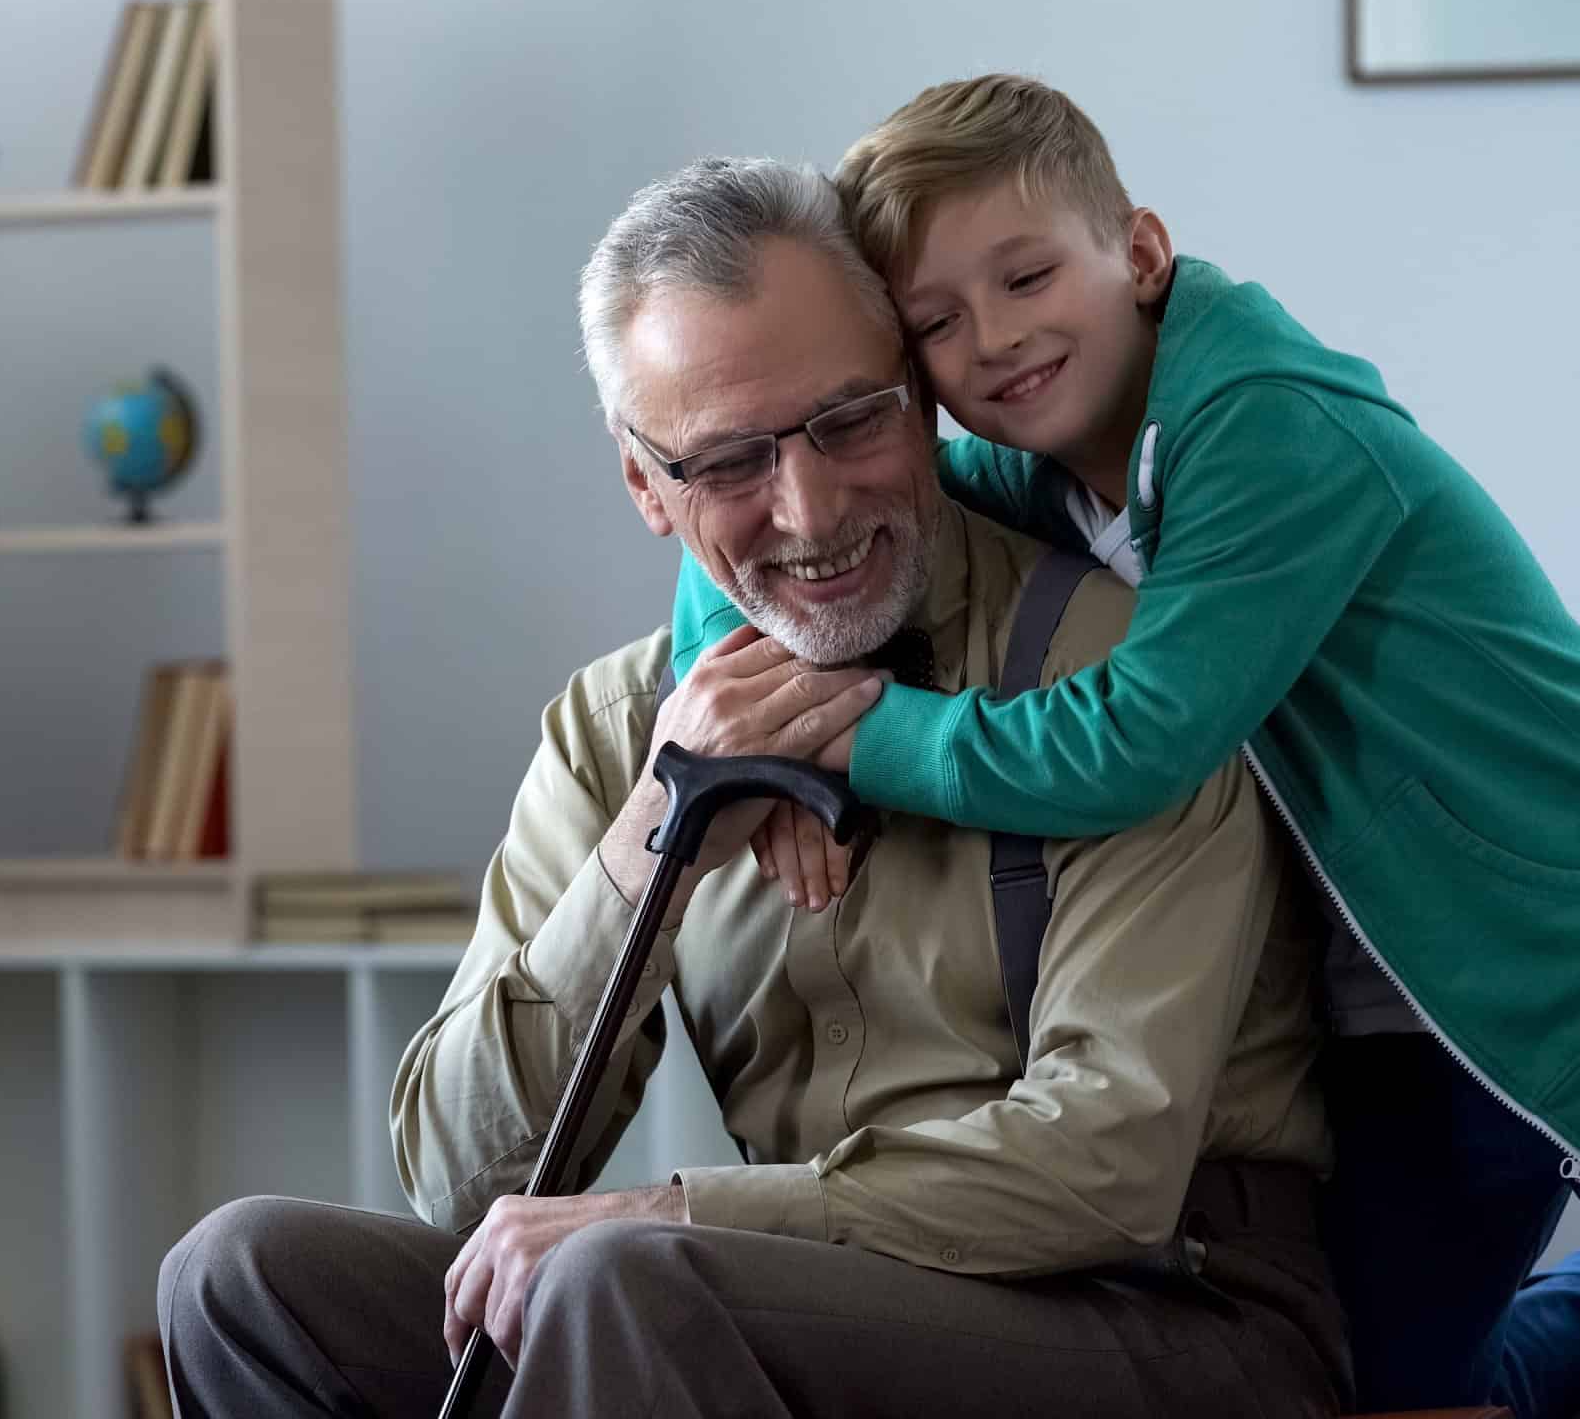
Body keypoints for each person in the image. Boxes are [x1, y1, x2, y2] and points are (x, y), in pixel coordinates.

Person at [665, 74, 1580, 1419]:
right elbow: (786, 550)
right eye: (938, 325)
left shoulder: (1267, 421)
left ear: (1139, 252)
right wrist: (758, 723)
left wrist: (856, 732)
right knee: (1370, 1390)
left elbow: (1133, 741)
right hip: (1398, 1017)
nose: (997, 338)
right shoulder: (1039, 470)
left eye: (1028, 276)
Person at [156, 156, 1354, 1418]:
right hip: (773, 1303)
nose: (809, 509)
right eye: (729, 463)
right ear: (644, 485)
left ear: (923, 396)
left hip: (1173, 1313)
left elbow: (1108, 1167)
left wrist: (679, 1214)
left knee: (624, 1285)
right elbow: (458, 1181)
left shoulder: (1119, 678)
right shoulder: (614, 730)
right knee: (243, 1276)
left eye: (852, 421)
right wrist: (649, 847)